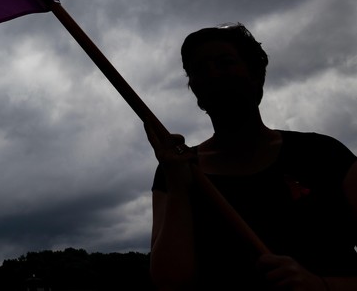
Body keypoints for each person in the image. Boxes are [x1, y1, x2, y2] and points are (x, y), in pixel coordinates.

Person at [146, 23, 357, 290]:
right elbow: (169, 283)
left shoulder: (325, 154)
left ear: (256, 75)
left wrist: (322, 285)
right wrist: (178, 188)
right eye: (198, 69)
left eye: (225, 62)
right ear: (196, 93)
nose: (212, 74)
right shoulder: (177, 170)